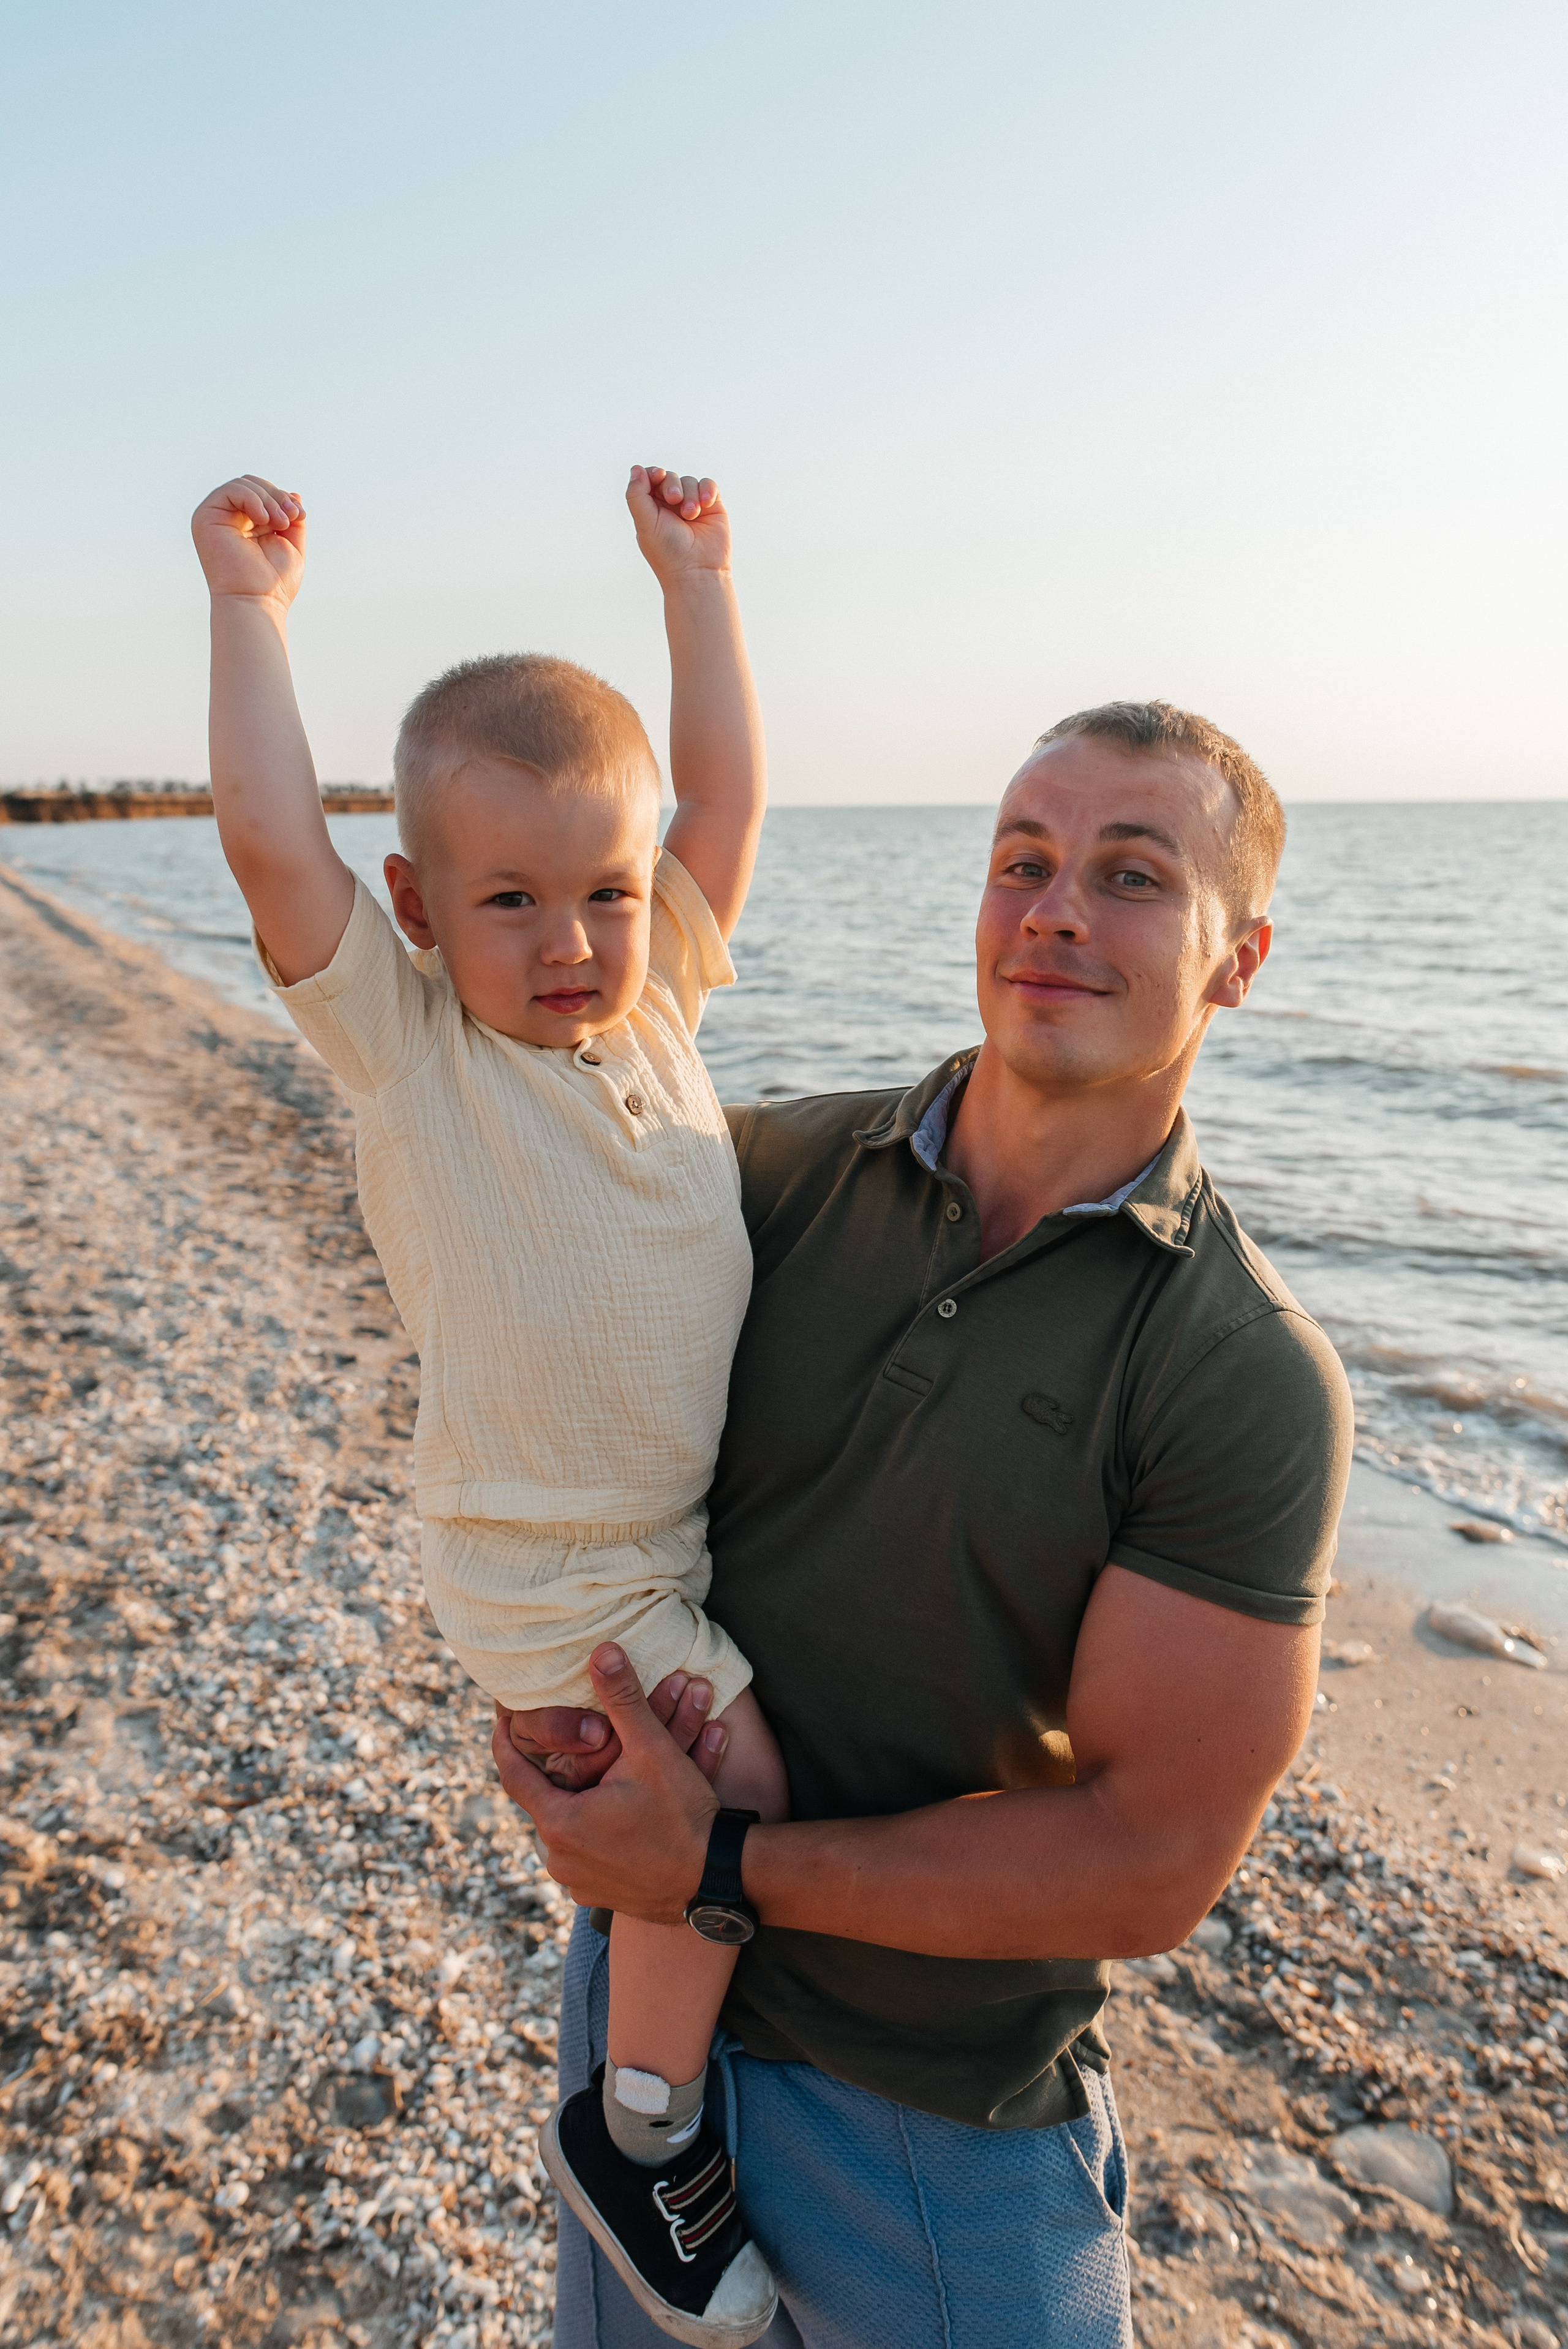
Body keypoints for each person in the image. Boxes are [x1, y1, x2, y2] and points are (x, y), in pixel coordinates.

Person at [494, 701, 1356, 2349]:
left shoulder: (1240, 1372)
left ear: (1239, 961)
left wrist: (726, 1858)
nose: (1055, 907)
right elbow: (544, 1333)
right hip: (645, 2024)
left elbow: (1146, 1858)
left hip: (934, 2110)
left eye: (1131, 875)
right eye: (1023, 859)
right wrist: (531, 1650)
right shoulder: (764, 1172)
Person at [190, 466, 793, 2347]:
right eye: (512, 900)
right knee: (735, 1802)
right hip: (548, 1572)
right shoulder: (413, 1041)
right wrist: (250, 613)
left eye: (605, 894)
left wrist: (697, 585)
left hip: (650, 1551)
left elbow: (727, 800)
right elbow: (271, 842)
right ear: (418, 907)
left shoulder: (661, 1000)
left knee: (695, 1828)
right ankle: (643, 2125)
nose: (571, 944)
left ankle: (655, 2087)